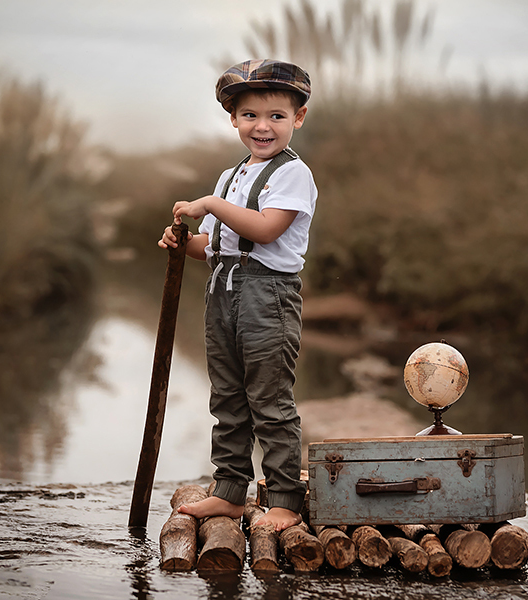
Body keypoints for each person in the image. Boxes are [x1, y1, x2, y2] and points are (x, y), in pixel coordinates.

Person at [158, 59, 316, 531]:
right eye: (249, 115)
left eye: (276, 116)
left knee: (269, 399)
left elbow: (266, 231)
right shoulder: (230, 177)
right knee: (227, 396)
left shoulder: (292, 174)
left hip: (268, 295)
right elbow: (213, 244)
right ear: (233, 119)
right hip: (222, 291)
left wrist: (208, 204)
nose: (262, 126)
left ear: (298, 118)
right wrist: (181, 244)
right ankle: (229, 491)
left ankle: (286, 498)